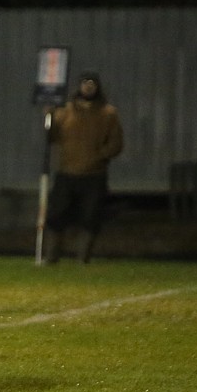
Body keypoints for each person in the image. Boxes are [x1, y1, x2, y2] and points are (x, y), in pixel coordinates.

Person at [43, 71, 124, 264]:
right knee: (56, 215)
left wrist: (99, 156)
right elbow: (51, 137)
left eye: (92, 84)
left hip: (94, 174)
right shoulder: (64, 111)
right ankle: (51, 256)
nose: (88, 87)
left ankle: (82, 257)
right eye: (85, 84)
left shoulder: (108, 113)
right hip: (66, 172)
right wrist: (48, 117)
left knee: (90, 217)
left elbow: (116, 143)